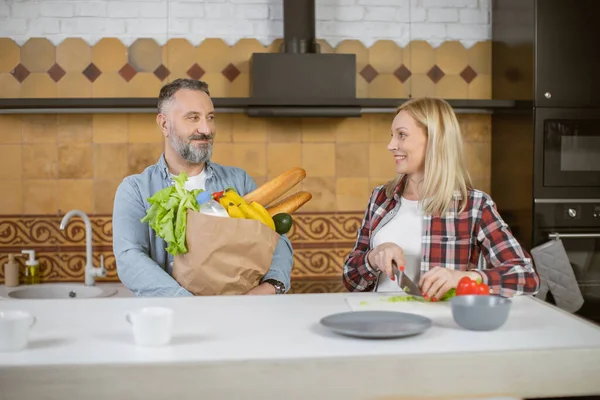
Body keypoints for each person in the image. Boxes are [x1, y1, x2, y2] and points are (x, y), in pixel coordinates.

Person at [342, 97, 540, 300]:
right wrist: (372, 258)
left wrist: (465, 278)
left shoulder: (474, 205)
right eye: (392, 135)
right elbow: (351, 280)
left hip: (443, 327)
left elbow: (526, 277)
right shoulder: (381, 198)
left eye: (402, 135)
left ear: (434, 140)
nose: (391, 145)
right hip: (380, 324)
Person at [112, 78, 293, 297]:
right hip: (172, 317)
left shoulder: (238, 181)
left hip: (242, 312)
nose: (206, 129)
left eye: (210, 117)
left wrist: (272, 286)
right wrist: (188, 302)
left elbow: (274, 236)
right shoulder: (136, 190)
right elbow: (130, 257)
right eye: (193, 118)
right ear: (164, 124)